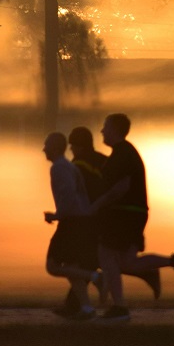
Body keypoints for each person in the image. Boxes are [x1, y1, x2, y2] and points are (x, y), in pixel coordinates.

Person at [95, 114, 174, 321]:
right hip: (134, 212)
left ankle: (119, 307)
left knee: (106, 254)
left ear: (114, 128)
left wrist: (95, 206)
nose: (102, 131)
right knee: (126, 262)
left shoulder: (122, 153)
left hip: (125, 212)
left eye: (105, 127)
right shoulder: (124, 152)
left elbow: (120, 188)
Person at [69, 127, 162, 301]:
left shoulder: (78, 165)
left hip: (97, 214)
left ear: (78, 146)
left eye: (72, 146)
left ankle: (85, 303)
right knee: (107, 257)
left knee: (97, 257)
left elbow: (83, 192)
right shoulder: (105, 159)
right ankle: (145, 274)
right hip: (110, 213)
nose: (71, 149)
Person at [42, 132, 103, 320]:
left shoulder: (59, 168)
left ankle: (96, 277)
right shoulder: (68, 166)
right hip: (80, 221)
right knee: (71, 267)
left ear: (54, 148)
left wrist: (57, 215)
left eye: (46, 145)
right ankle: (86, 308)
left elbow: (68, 195)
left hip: (72, 222)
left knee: (52, 265)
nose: (43, 149)